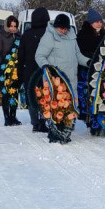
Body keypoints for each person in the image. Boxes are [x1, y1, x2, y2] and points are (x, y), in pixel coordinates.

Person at [34, 13, 90, 143]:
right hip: (56, 80)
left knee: (69, 107)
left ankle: (65, 133)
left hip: (71, 80)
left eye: (65, 28)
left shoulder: (71, 37)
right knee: (57, 107)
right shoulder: (49, 37)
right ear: (56, 26)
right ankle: (55, 133)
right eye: (61, 28)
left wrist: (88, 62)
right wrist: (47, 68)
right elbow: (39, 55)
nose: (63, 31)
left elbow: (78, 55)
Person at [19, 6, 50, 131]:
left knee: (31, 95)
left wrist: (19, 73)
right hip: (44, 70)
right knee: (44, 95)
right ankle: (43, 120)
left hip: (29, 70)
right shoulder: (49, 34)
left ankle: (35, 122)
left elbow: (21, 55)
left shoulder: (26, 34)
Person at [76, 8, 105, 133]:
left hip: (101, 70)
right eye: (96, 21)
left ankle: (101, 121)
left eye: (100, 21)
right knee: (89, 95)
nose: (99, 24)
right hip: (87, 70)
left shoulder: (104, 34)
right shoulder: (83, 35)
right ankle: (91, 120)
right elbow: (80, 52)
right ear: (90, 23)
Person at [0, 15, 22, 126]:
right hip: (4, 69)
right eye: (11, 26)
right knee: (5, 93)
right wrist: (3, 65)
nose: (13, 28)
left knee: (14, 92)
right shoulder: (1, 36)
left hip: (16, 70)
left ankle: (13, 116)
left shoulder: (19, 36)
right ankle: (7, 117)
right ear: (7, 26)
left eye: (15, 26)